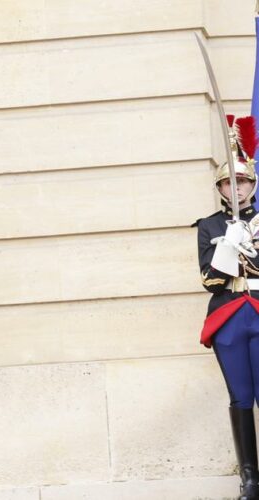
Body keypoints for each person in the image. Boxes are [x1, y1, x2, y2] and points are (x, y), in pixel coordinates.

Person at [196, 115, 259, 500]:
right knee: (240, 397)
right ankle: (250, 480)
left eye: (242, 181)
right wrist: (226, 246)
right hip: (230, 316)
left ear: (252, 184)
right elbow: (209, 279)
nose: (236, 188)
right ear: (220, 187)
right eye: (228, 182)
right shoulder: (208, 226)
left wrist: (247, 246)